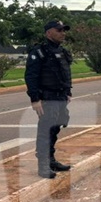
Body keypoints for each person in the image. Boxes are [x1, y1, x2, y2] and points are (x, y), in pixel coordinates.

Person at [25, 20, 74, 179]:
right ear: (48, 33)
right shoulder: (39, 52)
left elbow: (65, 73)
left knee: (55, 129)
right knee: (45, 131)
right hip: (46, 97)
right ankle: (43, 165)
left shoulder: (62, 51)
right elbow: (31, 76)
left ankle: (51, 160)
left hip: (60, 97)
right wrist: (35, 99)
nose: (63, 33)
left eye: (63, 30)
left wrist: (68, 92)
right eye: (59, 30)